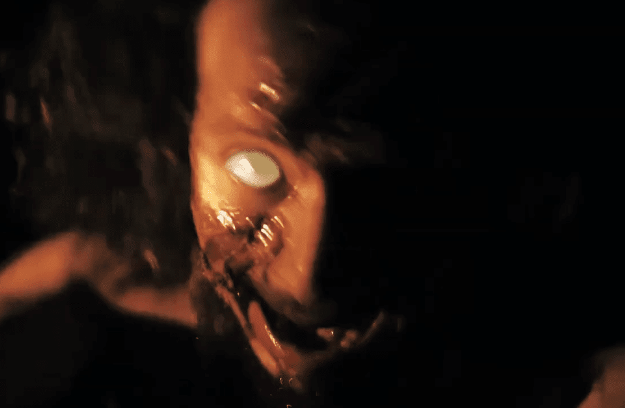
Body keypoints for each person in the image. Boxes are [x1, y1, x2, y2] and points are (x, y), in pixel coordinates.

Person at [1, 0, 446, 406]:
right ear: (178, 142)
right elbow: (78, 261)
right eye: (254, 167)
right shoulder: (148, 287)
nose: (305, 281)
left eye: (374, 187)